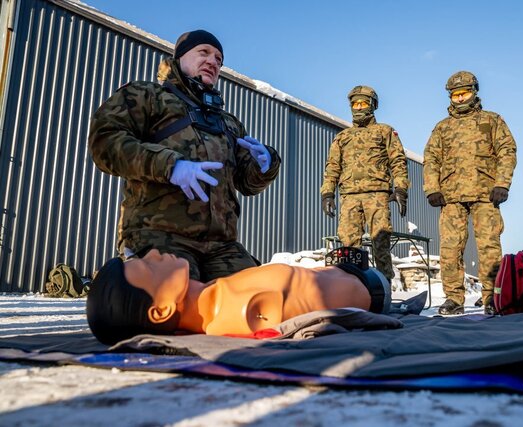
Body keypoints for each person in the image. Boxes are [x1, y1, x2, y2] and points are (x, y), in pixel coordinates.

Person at [89, 30, 280, 282]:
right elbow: (105, 143)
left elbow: (246, 183)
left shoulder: (228, 123)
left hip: (222, 245)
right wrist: (170, 165)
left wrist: (266, 165)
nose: (213, 61)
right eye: (204, 52)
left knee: (262, 300)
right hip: (158, 236)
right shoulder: (147, 96)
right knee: (178, 306)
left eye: (219, 59)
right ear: (179, 57)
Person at [86, 249, 391, 345]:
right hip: (370, 287)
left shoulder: (218, 293)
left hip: (352, 274)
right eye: (147, 266)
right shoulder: (241, 310)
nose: (153, 253)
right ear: (161, 309)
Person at [423, 71, 517, 315]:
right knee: (450, 248)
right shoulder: (442, 128)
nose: (460, 98)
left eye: (464, 93)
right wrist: (432, 188)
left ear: (474, 92)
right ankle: (454, 298)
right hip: (451, 197)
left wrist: (502, 183)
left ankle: (491, 297)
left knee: (489, 247)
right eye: (455, 95)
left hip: (486, 194)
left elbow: (507, 151)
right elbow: (431, 159)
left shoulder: (491, 120)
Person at [320, 85, 410, 282]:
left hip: (377, 195)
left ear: (372, 105)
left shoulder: (385, 132)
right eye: (355, 104)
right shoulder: (342, 137)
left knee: (381, 243)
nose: (359, 107)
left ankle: (384, 287)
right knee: (348, 248)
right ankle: (353, 289)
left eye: (363, 103)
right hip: (349, 197)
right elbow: (332, 167)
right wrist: (327, 193)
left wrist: (401, 189)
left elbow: (398, 161)